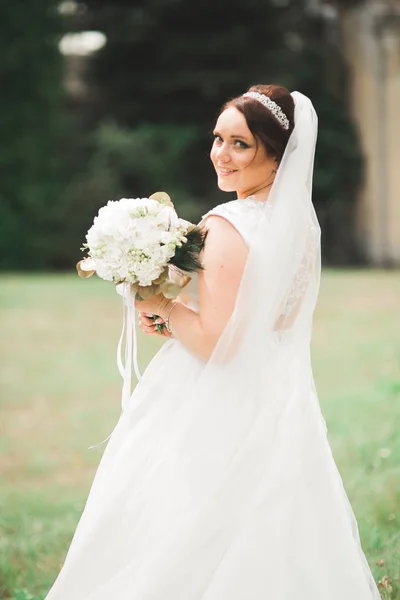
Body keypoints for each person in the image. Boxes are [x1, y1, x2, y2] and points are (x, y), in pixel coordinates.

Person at [44, 85, 381, 599]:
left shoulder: (228, 225)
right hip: (274, 397)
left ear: (276, 153)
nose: (221, 154)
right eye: (218, 138)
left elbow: (216, 343)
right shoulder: (301, 228)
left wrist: (163, 306)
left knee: (180, 529)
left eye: (240, 144)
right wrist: (178, 310)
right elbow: (272, 321)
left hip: (215, 401)